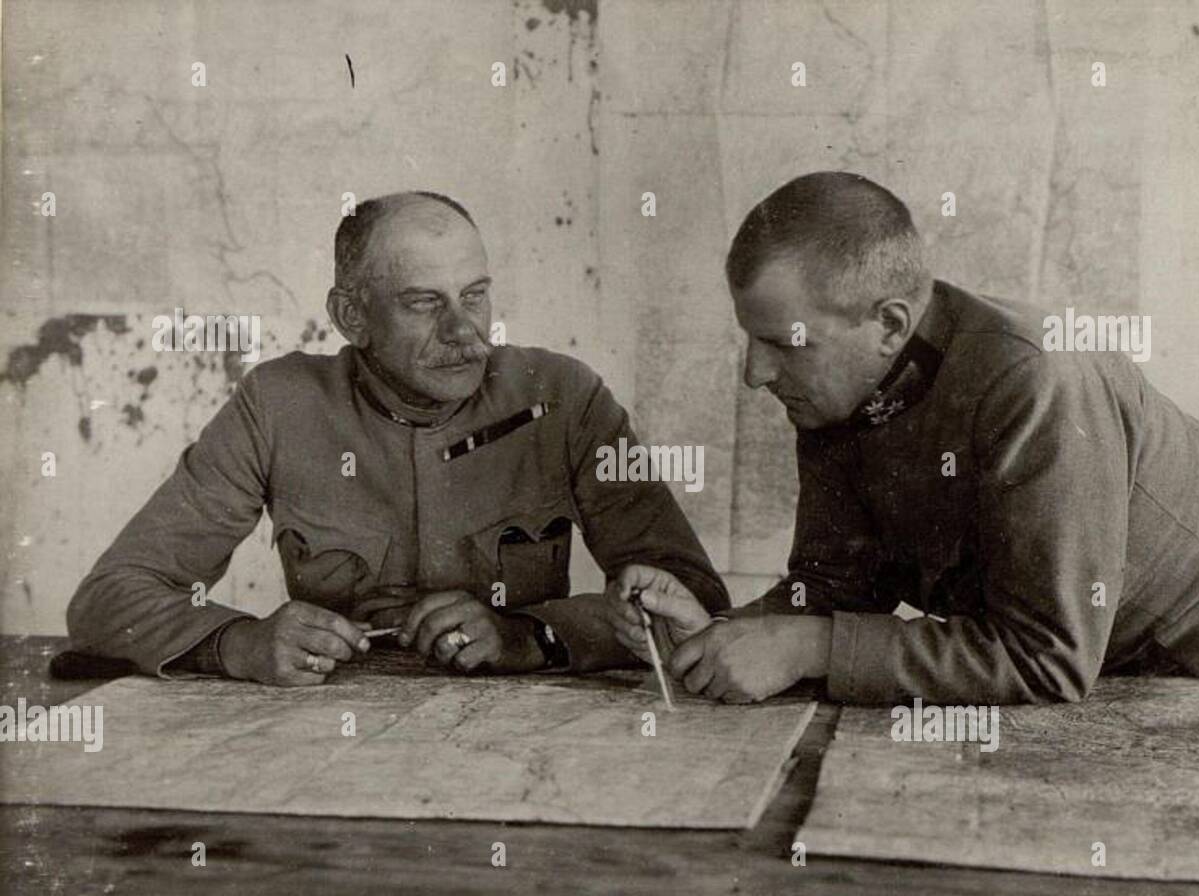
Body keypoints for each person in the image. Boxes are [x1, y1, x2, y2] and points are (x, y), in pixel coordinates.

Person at [610, 171, 1199, 705]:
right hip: (1149, 653)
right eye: (749, 340)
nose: (755, 375)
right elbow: (836, 587)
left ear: (889, 323)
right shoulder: (839, 387)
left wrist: (810, 648)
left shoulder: (1033, 378)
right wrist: (718, 634)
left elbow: (1046, 657)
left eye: (781, 344)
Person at [67, 191, 727, 686]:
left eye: (475, 296)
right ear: (352, 316)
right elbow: (108, 598)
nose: (464, 331)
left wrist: (530, 636)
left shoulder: (563, 396)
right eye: (424, 303)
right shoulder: (278, 406)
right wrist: (237, 644)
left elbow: (690, 598)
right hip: (331, 750)